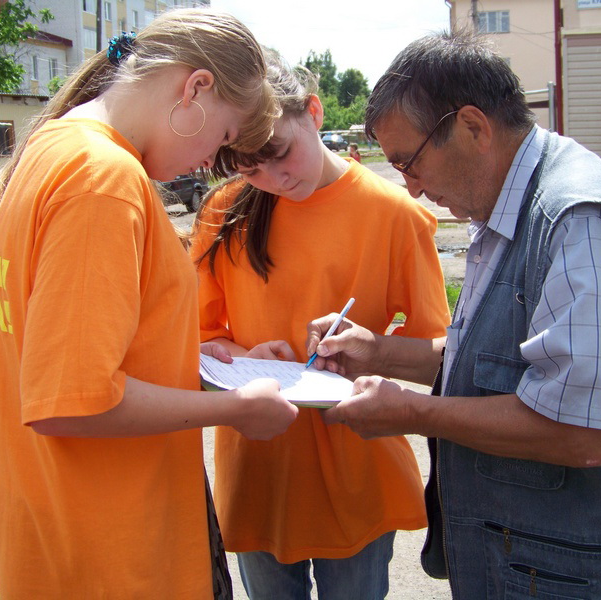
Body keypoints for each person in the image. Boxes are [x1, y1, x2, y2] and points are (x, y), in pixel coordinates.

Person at [306, 31, 601, 599]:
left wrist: (414, 413)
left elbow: (584, 432)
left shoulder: (579, 219)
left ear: (472, 126)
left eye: (408, 163)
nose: (411, 189)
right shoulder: (509, 206)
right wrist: (378, 351)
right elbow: (510, 361)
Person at [0, 10, 300, 599]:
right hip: (118, 556)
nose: (210, 163)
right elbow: (73, 401)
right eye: (222, 137)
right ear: (195, 88)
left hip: (63, 540)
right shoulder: (104, 180)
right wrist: (238, 408)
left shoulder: (56, 146)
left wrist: (201, 358)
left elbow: (71, 347)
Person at [189, 50, 450, 600]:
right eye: (248, 166)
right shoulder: (225, 211)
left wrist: (375, 349)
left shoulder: (395, 214)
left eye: (280, 154)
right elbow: (195, 340)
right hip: (261, 459)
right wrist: (246, 353)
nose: (273, 178)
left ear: (313, 111)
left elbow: (439, 348)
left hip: (355, 456)